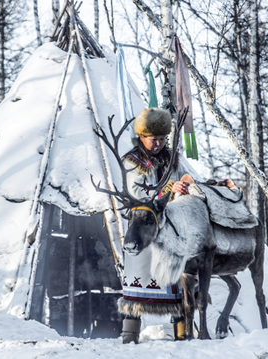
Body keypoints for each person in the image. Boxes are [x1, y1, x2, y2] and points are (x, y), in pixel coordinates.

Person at [119, 107, 202, 344]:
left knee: (177, 278)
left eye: (162, 139)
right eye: (153, 140)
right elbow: (136, 192)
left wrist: (185, 183)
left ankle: (182, 333)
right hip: (143, 224)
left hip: (171, 227)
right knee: (138, 277)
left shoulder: (172, 157)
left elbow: (188, 176)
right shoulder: (132, 161)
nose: (158, 144)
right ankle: (130, 334)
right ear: (142, 138)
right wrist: (168, 189)